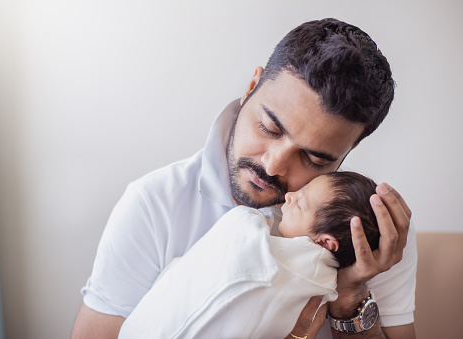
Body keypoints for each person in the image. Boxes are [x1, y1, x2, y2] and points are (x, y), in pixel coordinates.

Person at [72, 18, 416, 339]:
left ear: (344, 156)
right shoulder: (154, 204)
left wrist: (350, 298)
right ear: (251, 87)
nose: (273, 165)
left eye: (312, 158)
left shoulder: (369, 229)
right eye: (269, 127)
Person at [118, 171, 381, 339]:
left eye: (300, 202)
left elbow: (244, 259)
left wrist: (252, 217)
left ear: (325, 243)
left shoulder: (308, 267)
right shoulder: (151, 197)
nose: (289, 196)